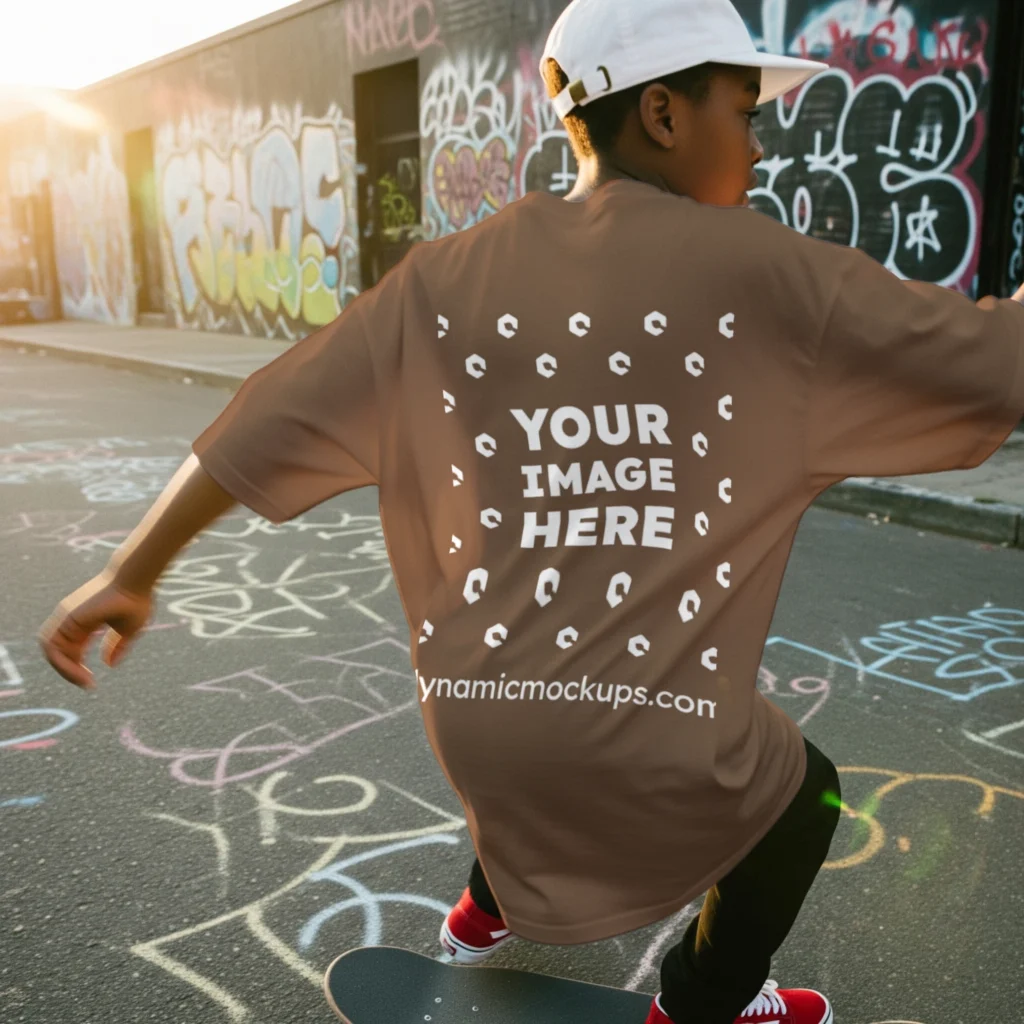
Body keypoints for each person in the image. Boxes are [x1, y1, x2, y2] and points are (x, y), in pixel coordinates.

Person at [38, 1, 1024, 1022]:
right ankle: (700, 1003)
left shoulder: (440, 281)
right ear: (663, 114)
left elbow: (258, 425)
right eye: (742, 108)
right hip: (646, 734)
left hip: (474, 723)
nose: (761, 141)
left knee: (541, 692)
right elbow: (994, 357)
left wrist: (133, 571)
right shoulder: (768, 273)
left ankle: (481, 908)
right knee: (803, 795)